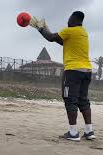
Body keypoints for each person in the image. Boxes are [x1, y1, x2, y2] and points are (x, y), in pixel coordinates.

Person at [31, 11, 95, 141]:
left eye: (70, 18)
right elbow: (60, 41)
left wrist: (39, 28)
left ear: (75, 19)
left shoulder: (70, 31)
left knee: (70, 99)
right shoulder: (83, 32)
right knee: (83, 100)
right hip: (87, 70)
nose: (68, 21)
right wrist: (47, 30)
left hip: (73, 71)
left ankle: (73, 133)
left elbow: (51, 38)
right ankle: (89, 131)